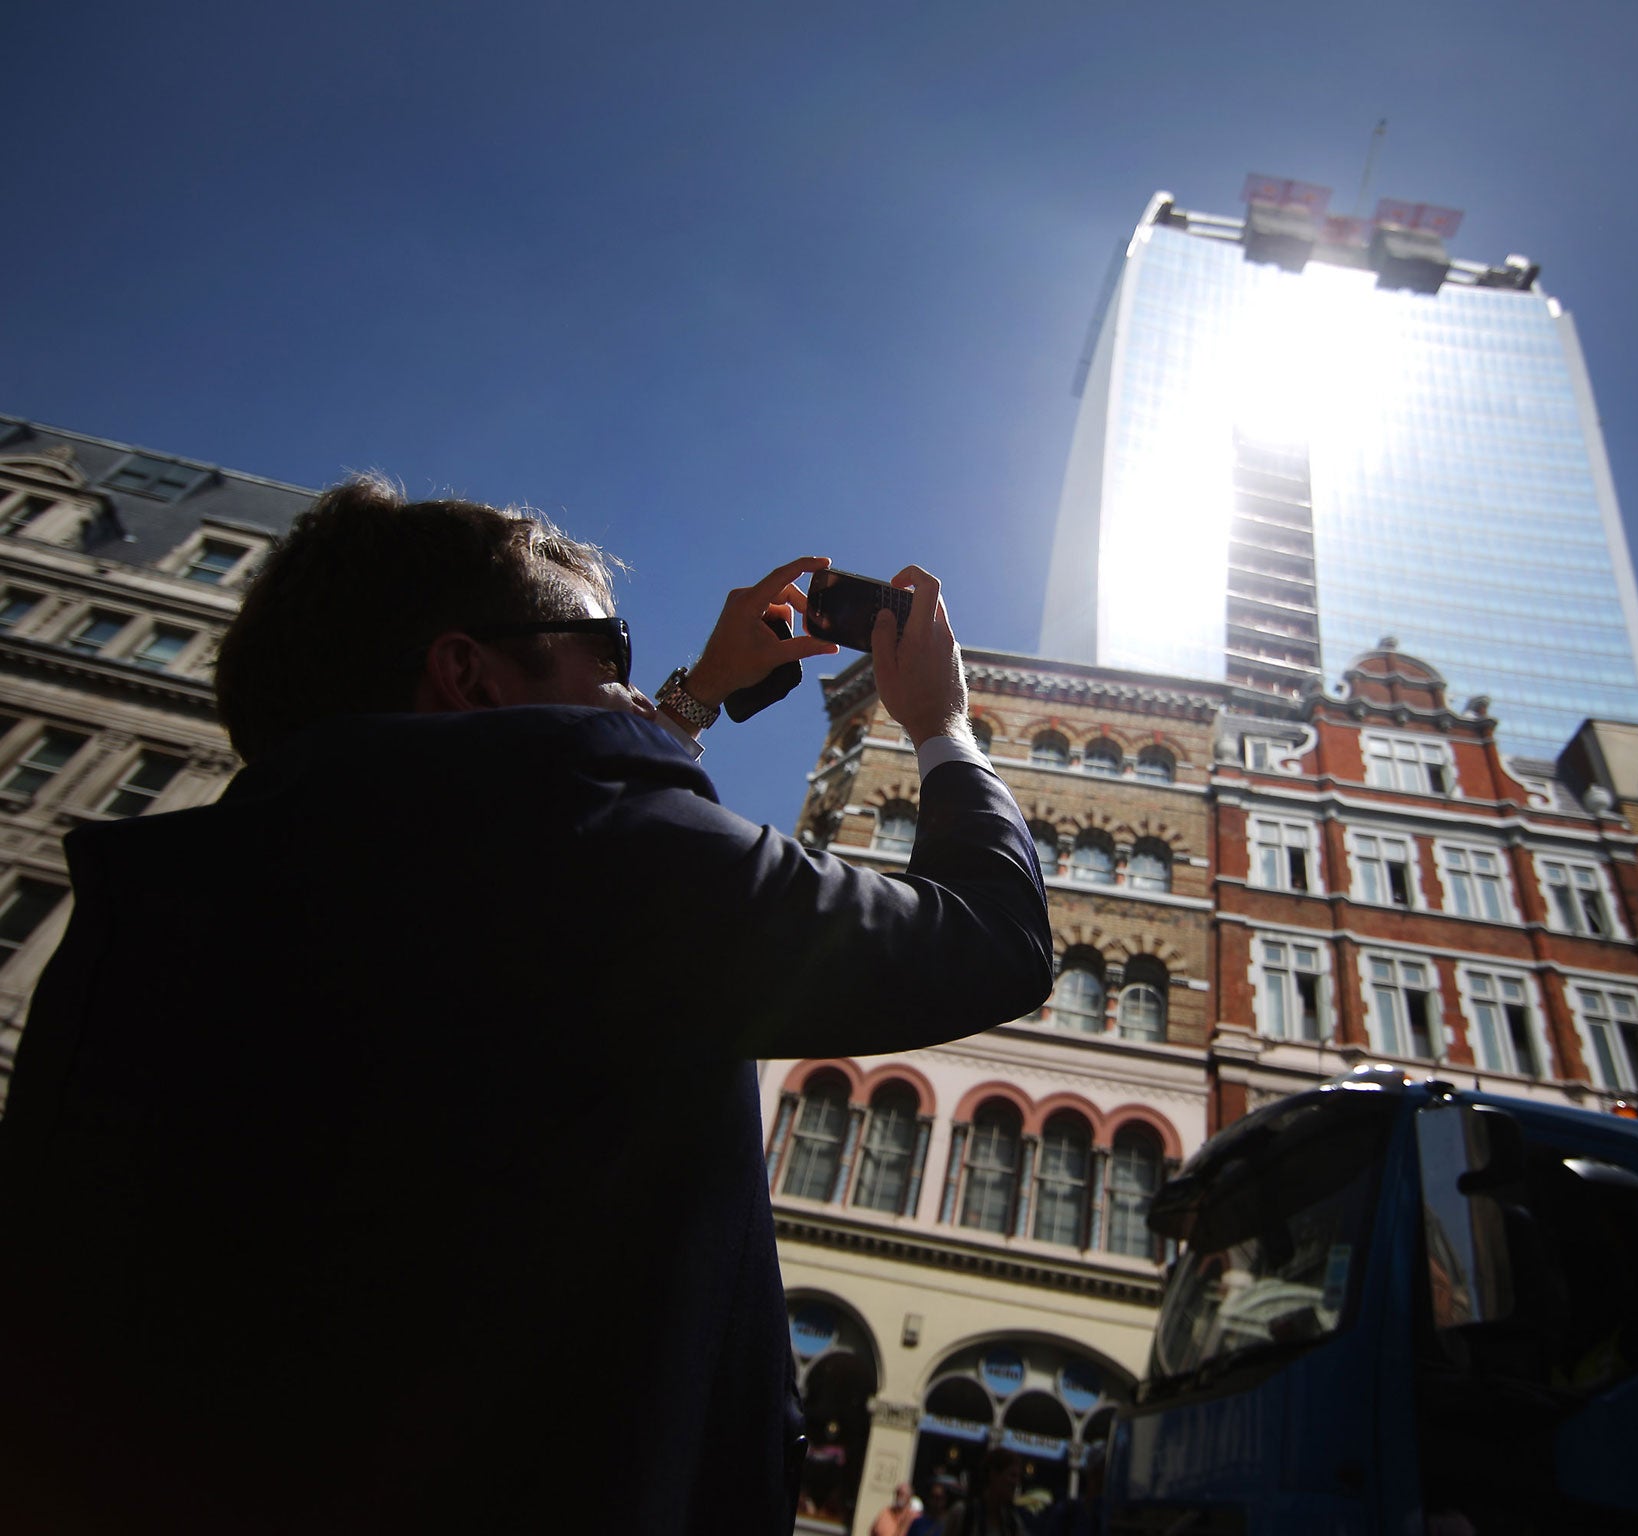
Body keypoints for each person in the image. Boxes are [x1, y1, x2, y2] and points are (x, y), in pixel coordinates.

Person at [0, 480, 1054, 1535]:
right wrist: (941, 726)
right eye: (608, 649)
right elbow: (994, 939)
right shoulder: (599, 861)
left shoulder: (149, 908)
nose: (631, 683)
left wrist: (690, 699)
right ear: (466, 671)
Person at [938, 1450, 1030, 1536]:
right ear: (993, 1474)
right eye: (1012, 1475)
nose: (1016, 1483)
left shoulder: (1013, 1524)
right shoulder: (964, 1514)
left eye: (1018, 1477)